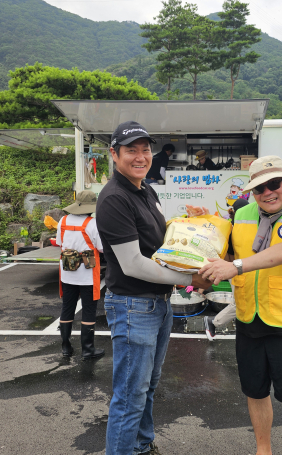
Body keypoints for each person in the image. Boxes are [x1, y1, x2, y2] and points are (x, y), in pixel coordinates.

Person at [96, 120, 211, 455]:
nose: (141, 156)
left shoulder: (146, 190)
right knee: (130, 395)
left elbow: (158, 241)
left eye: (145, 149)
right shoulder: (114, 198)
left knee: (147, 388)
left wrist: (188, 221)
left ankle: (143, 446)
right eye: (131, 149)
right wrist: (191, 280)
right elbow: (133, 263)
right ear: (114, 154)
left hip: (157, 305)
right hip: (132, 307)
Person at [200, 155, 282, 455]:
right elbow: (226, 254)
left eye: (274, 184)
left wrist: (238, 266)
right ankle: (263, 450)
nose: (268, 192)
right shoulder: (241, 212)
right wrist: (203, 223)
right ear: (252, 192)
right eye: (259, 188)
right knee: (255, 394)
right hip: (248, 319)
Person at [56, 190, 104, 360]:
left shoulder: (62, 221)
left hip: (67, 272)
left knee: (67, 308)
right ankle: (88, 349)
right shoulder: (93, 224)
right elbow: (101, 248)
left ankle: (65, 346)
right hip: (88, 274)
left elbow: (60, 243)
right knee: (89, 310)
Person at [203, 198, 249, 341]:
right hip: (236, 270)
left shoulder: (234, 228)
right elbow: (229, 257)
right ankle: (214, 322)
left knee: (244, 302)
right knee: (240, 304)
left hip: (241, 269)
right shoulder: (232, 230)